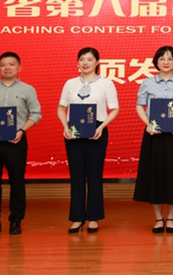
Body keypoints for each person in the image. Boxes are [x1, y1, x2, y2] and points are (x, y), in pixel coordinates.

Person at [0, 52, 42, 236]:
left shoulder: (28, 90)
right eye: (3, 64)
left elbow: (36, 113)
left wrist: (22, 131)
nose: (7, 67)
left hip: (15, 141)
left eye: (11, 64)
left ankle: (16, 221)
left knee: (17, 182)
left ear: (19, 67)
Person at [133, 46, 173, 234]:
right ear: (156, 62)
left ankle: (170, 218)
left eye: (170, 58)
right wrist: (148, 123)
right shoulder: (147, 83)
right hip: (153, 134)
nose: (166, 62)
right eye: (162, 58)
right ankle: (158, 218)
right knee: (155, 174)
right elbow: (140, 106)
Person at [57, 47, 119, 234]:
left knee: (94, 175)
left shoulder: (106, 84)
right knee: (76, 176)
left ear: (97, 62)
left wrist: (101, 127)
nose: (85, 63)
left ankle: (93, 217)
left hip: (97, 131)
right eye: (82, 59)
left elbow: (114, 109)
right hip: (73, 131)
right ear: (78, 62)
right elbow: (61, 108)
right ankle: (77, 218)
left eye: (89, 59)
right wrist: (65, 127)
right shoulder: (70, 84)